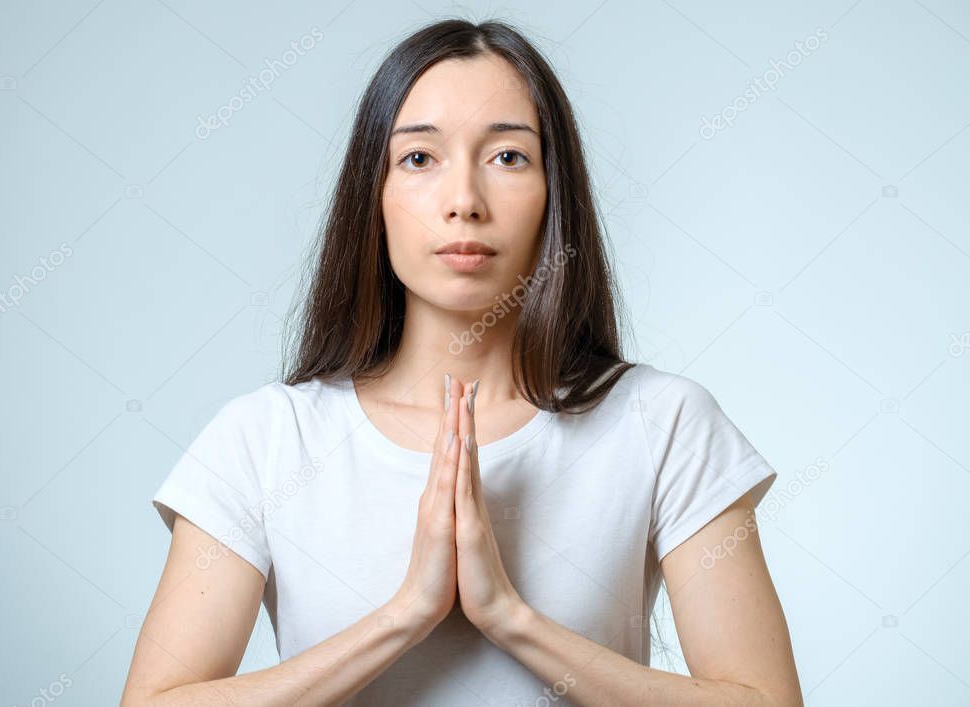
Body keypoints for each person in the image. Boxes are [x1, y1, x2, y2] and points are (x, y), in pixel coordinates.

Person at [122, 18, 802, 706]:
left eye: (507, 157)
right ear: (374, 195)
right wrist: (403, 616)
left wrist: (510, 618)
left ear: (553, 194)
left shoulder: (663, 423)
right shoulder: (265, 438)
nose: (463, 203)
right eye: (419, 159)